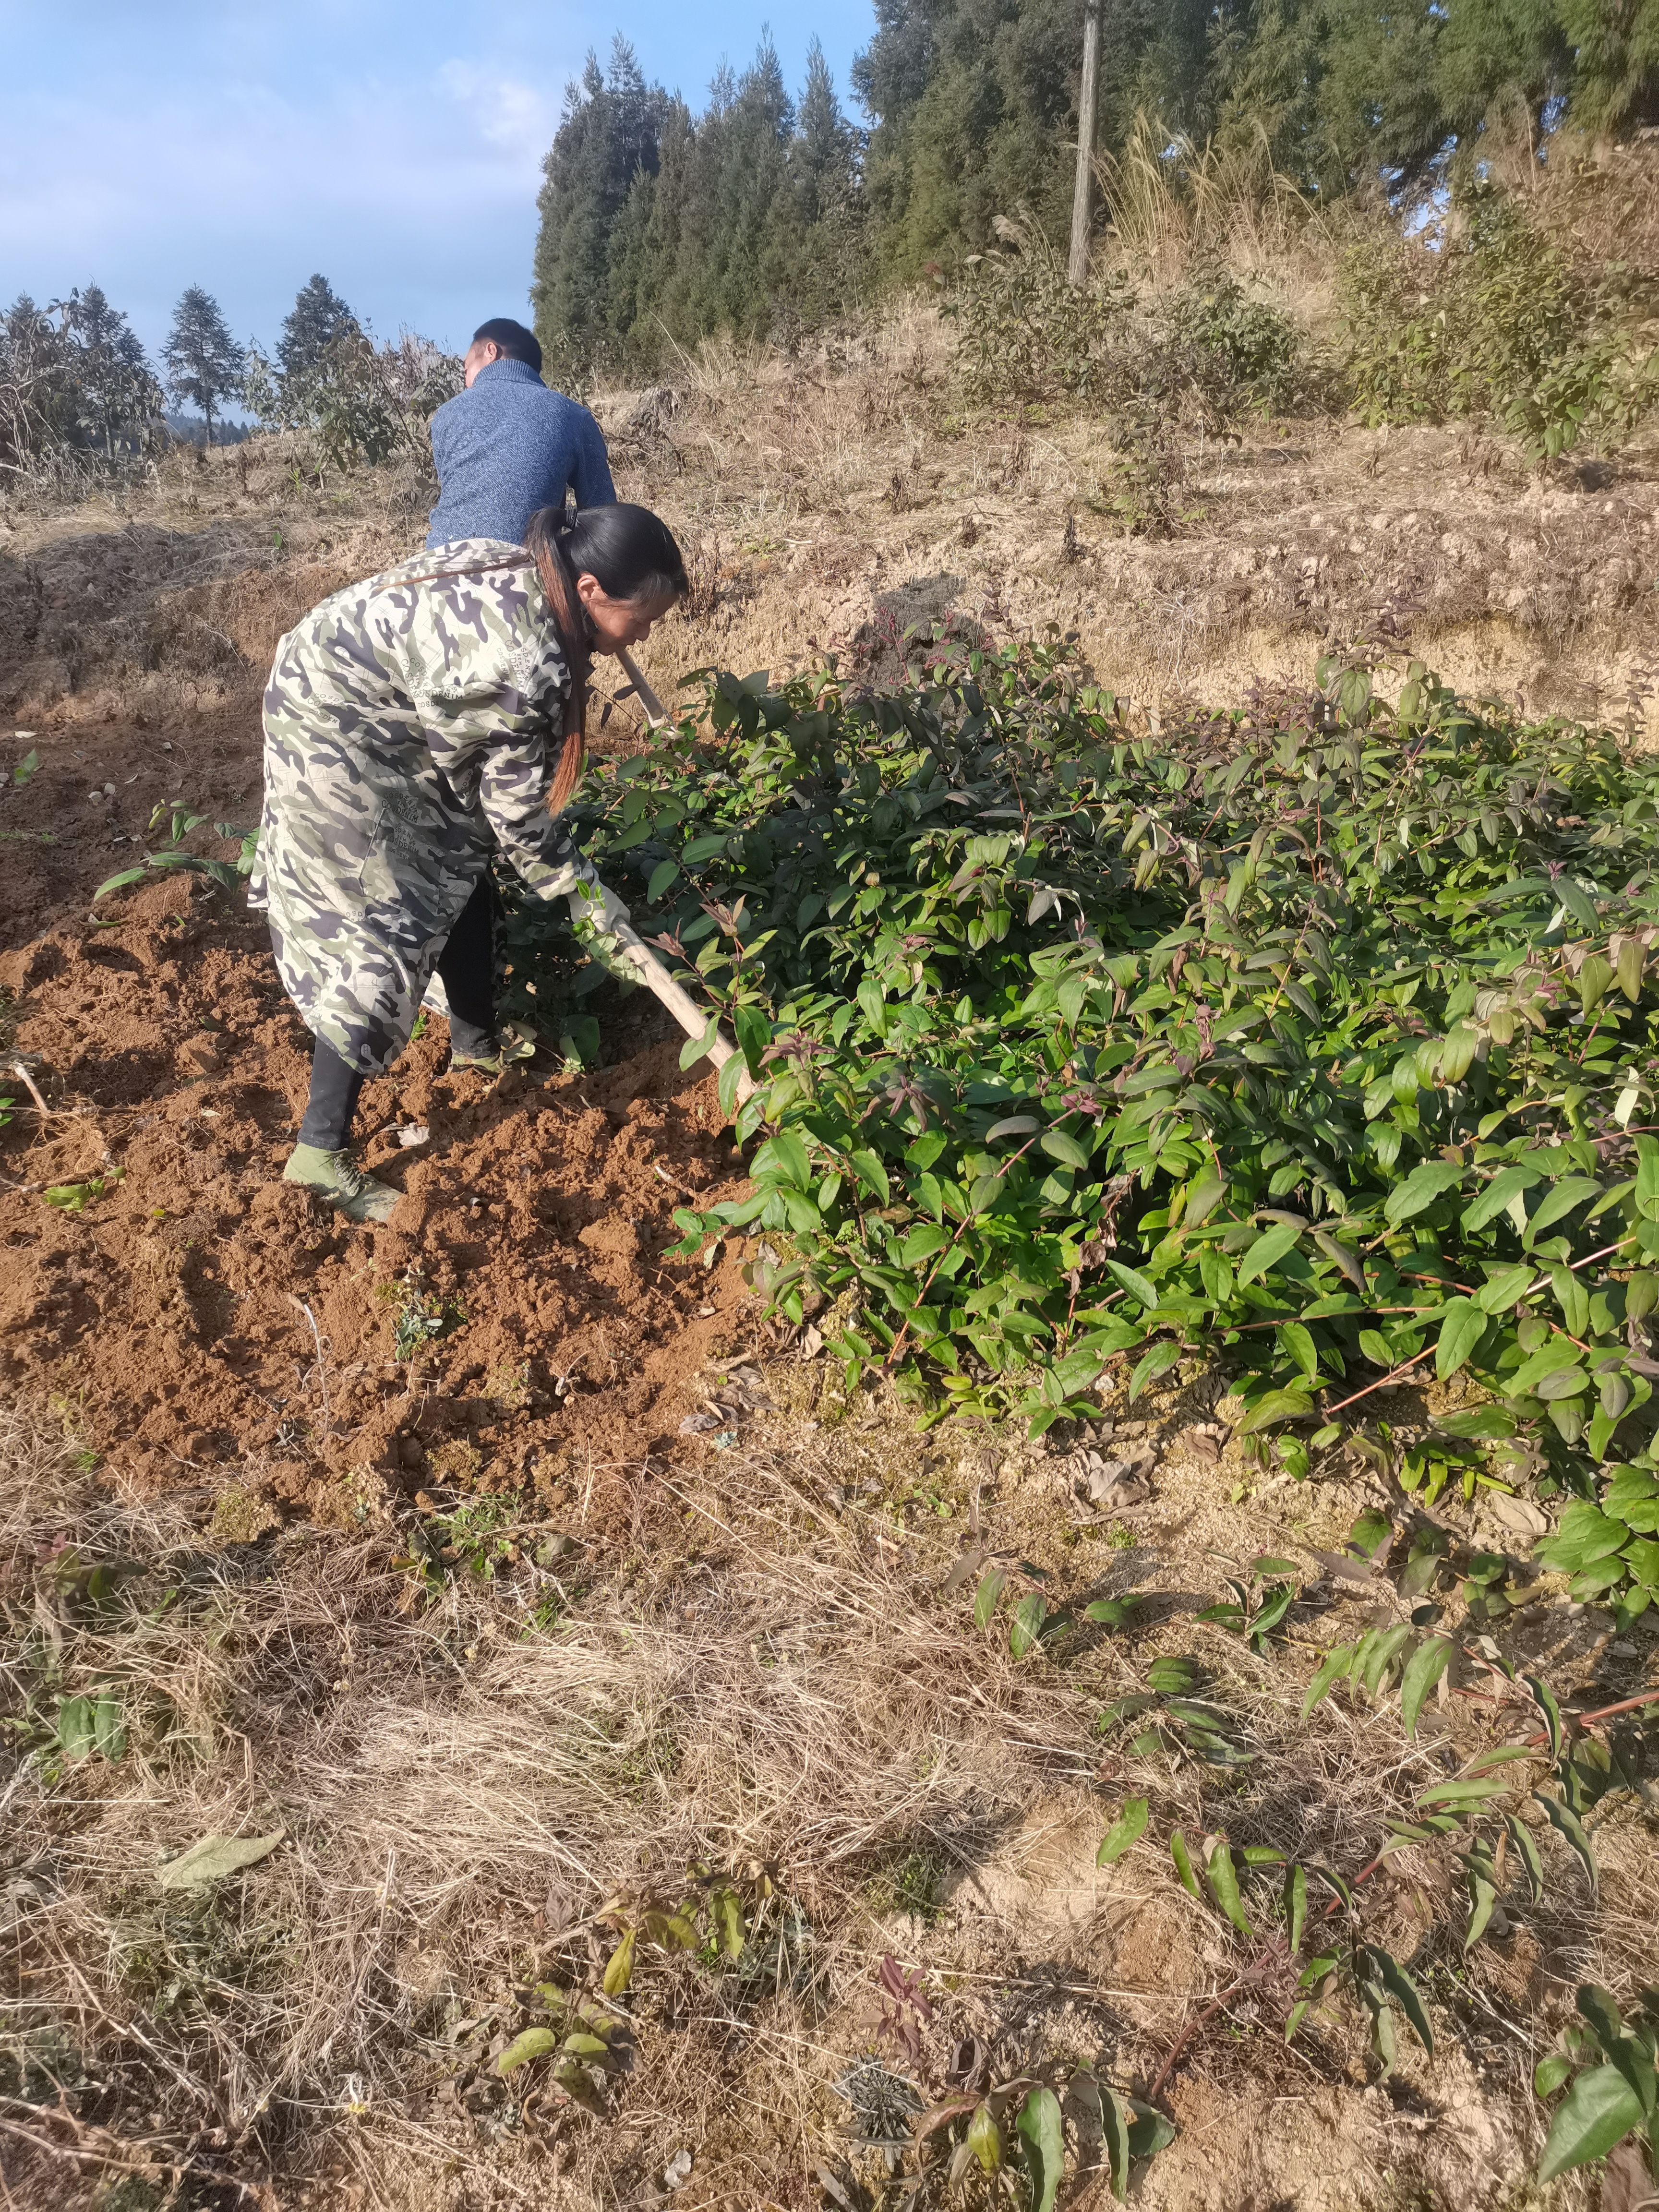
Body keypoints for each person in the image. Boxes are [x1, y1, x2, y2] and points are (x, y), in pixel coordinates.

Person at [249, 503, 687, 1223]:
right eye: (640, 618)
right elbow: (518, 815)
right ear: (589, 592)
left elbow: (490, 807)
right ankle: (319, 1156)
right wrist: (584, 895)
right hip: (336, 721)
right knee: (379, 919)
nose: (644, 635)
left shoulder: (537, 569)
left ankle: (475, 1045)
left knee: (456, 854)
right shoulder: (531, 662)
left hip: (375, 696)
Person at [425, 318, 615, 551]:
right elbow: (604, 518)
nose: (466, 383)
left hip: (436, 567)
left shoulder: (446, 414)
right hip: (522, 572)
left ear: (491, 351)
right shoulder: (573, 415)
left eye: (466, 369)